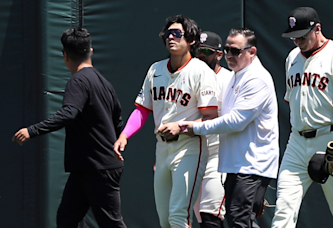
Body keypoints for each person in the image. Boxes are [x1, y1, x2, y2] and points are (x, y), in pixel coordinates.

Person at [161, 28, 279, 228]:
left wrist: (191, 127)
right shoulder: (236, 74)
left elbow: (235, 121)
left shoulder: (256, 78)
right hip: (236, 162)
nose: (229, 55)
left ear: (252, 52)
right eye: (226, 50)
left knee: (238, 218)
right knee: (239, 218)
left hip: (253, 163)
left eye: (235, 50)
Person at [12, 28, 127, 228]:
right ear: (90, 51)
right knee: (66, 218)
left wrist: (32, 131)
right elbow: (118, 120)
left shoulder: (78, 81)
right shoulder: (104, 83)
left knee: (111, 224)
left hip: (98, 168)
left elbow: (69, 113)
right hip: (86, 167)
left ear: (65, 56)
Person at [113, 15, 219, 228]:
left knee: (179, 216)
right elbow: (142, 110)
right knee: (165, 221)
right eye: (168, 33)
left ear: (191, 40)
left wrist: (180, 127)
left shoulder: (201, 71)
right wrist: (124, 135)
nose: (171, 37)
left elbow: (210, 117)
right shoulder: (156, 69)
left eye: (178, 33)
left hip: (190, 147)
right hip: (162, 150)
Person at [271, 7, 333, 228]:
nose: (297, 41)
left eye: (302, 36)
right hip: (296, 141)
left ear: (317, 28)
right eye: (293, 37)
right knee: (283, 209)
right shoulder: (292, 58)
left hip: (329, 139)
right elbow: (293, 103)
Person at [193, 31, 232, 228]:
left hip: (219, 153)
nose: (200, 55)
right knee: (194, 216)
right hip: (192, 151)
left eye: (206, 51)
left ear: (219, 54)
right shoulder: (188, 76)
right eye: (197, 51)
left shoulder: (230, 79)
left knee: (211, 214)